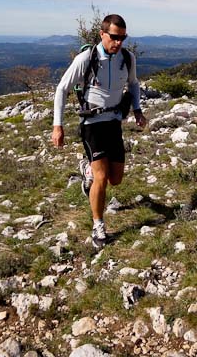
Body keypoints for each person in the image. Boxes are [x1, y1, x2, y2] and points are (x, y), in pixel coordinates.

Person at [52, 14, 147, 249]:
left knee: (116, 179)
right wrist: (58, 125)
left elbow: (133, 84)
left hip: (114, 122)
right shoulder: (86, 58)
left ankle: (87, 169)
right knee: (102, 178)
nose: (118, 42)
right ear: (102, 34)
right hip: (92, 124)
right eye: (114, 37)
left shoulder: (127, 58)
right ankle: (98, 225)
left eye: (122, 38)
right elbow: (62, 88)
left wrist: (137, 110)